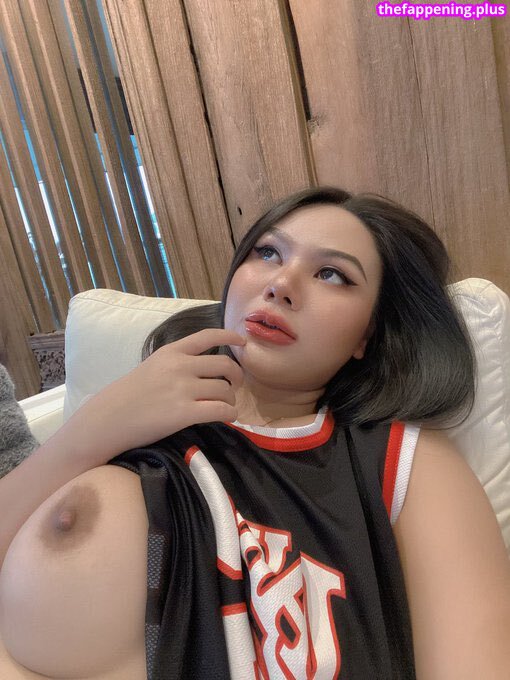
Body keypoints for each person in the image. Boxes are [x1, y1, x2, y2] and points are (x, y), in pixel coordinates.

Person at [0, 186, 509, 680]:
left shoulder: (401, 461)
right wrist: (93, 428)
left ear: (367, 335)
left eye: (332, 274)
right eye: (267, 253)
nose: (281, 284)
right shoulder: (130, 415)